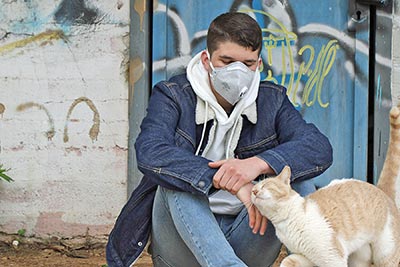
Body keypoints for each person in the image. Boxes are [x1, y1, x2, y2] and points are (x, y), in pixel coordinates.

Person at [106, 12, 332, 267]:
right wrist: (228, 181)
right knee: (178, 179)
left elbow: (317, 147)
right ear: (207, 60)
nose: (237, 71)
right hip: (181, 243)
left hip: (247, 235)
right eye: (226, 61)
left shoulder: (272, 100)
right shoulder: (173, 95)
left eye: (247, 64)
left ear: (258, 64)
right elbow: (150, 151)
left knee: (296, 181)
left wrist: (256, 164)